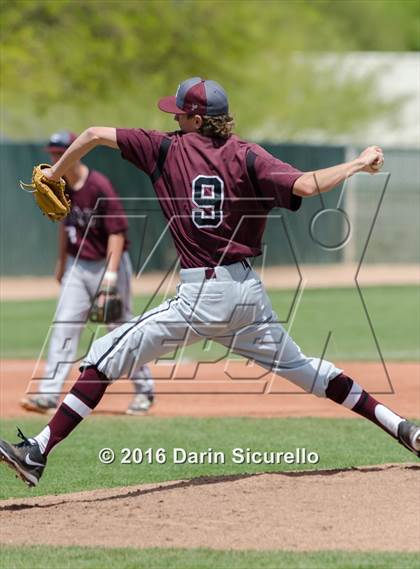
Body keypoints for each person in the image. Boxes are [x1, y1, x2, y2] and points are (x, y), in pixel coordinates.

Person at [0, 77, 418, 487]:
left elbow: (91, 133)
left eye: (181, 113)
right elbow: (307, 185)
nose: (176, 118)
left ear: (198, 120)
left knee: (104, 354)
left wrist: (55, 173)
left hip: (202, 295)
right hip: (247, 296)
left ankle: (37, 451)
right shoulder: (248, 155)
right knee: (309, 373)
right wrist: (360, 163)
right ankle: (400, 426)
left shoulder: (163, 148)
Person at [19, 131, 155, 417]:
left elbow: (117, 232)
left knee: (119, 329)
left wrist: (110, 279)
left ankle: (144, 390)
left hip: (109, 264)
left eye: (60, 152)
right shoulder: (60, 186)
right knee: (64, 325)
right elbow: (61, 224)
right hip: (78, 266)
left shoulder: (98, 185)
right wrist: (61, 262)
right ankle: (48, 394)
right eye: (53, 153)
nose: (55, 158)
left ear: (76, 153)